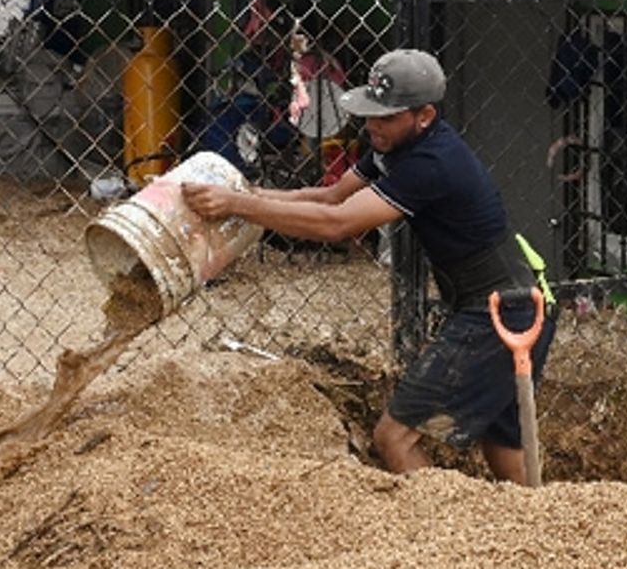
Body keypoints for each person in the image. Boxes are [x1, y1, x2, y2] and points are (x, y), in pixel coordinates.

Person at [182, 48, 556, 485]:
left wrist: (238, 206)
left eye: (386, 116)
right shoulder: (394, 145)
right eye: (370, 114)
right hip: (507, 304)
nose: (372, 125)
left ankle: (454, 540)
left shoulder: (432, 162)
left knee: (394, 438)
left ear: (424, 115)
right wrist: (243, 194)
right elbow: (328, 198)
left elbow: (337, 225)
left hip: (502, 312)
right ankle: (526, 531)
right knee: (501, 437)